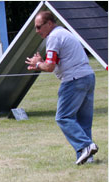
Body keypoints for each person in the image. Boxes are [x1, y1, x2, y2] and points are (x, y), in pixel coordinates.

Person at [24, 10, 97, 165]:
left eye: (39, 27)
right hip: (88, 77)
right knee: (83, 121)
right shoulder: (64, 33)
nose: (37, 31)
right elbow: (55, 63)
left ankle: (86, 146)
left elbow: (49, 67)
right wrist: (41, 62)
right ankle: (87, 157)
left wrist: (38, 64)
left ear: (49, 23)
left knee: (63, 117)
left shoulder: (53, 37)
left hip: (73, 80)